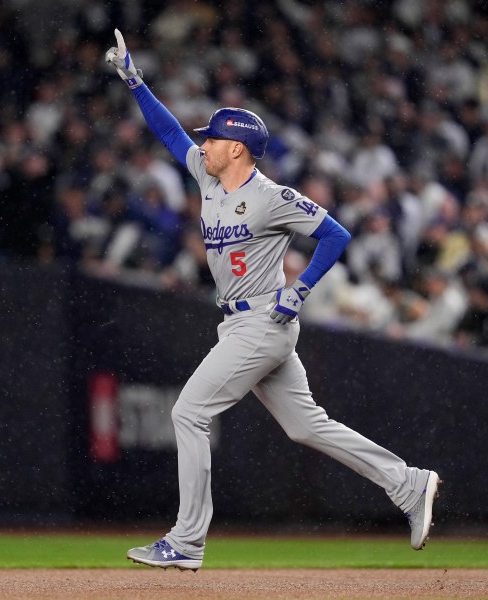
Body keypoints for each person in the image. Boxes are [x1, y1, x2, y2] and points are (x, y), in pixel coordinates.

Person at [105, 30, 441, 571]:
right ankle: (408, 483)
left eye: (211, 140)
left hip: (262, 321)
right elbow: (170, 135)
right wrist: (135, 81)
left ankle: (187, 542)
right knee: (306, 425)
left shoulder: (271, 198)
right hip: (244, 324)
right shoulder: (208, 180)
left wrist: (299, 291)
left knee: (188, 413)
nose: (203, 145)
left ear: (234, 147)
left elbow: (336, 235)